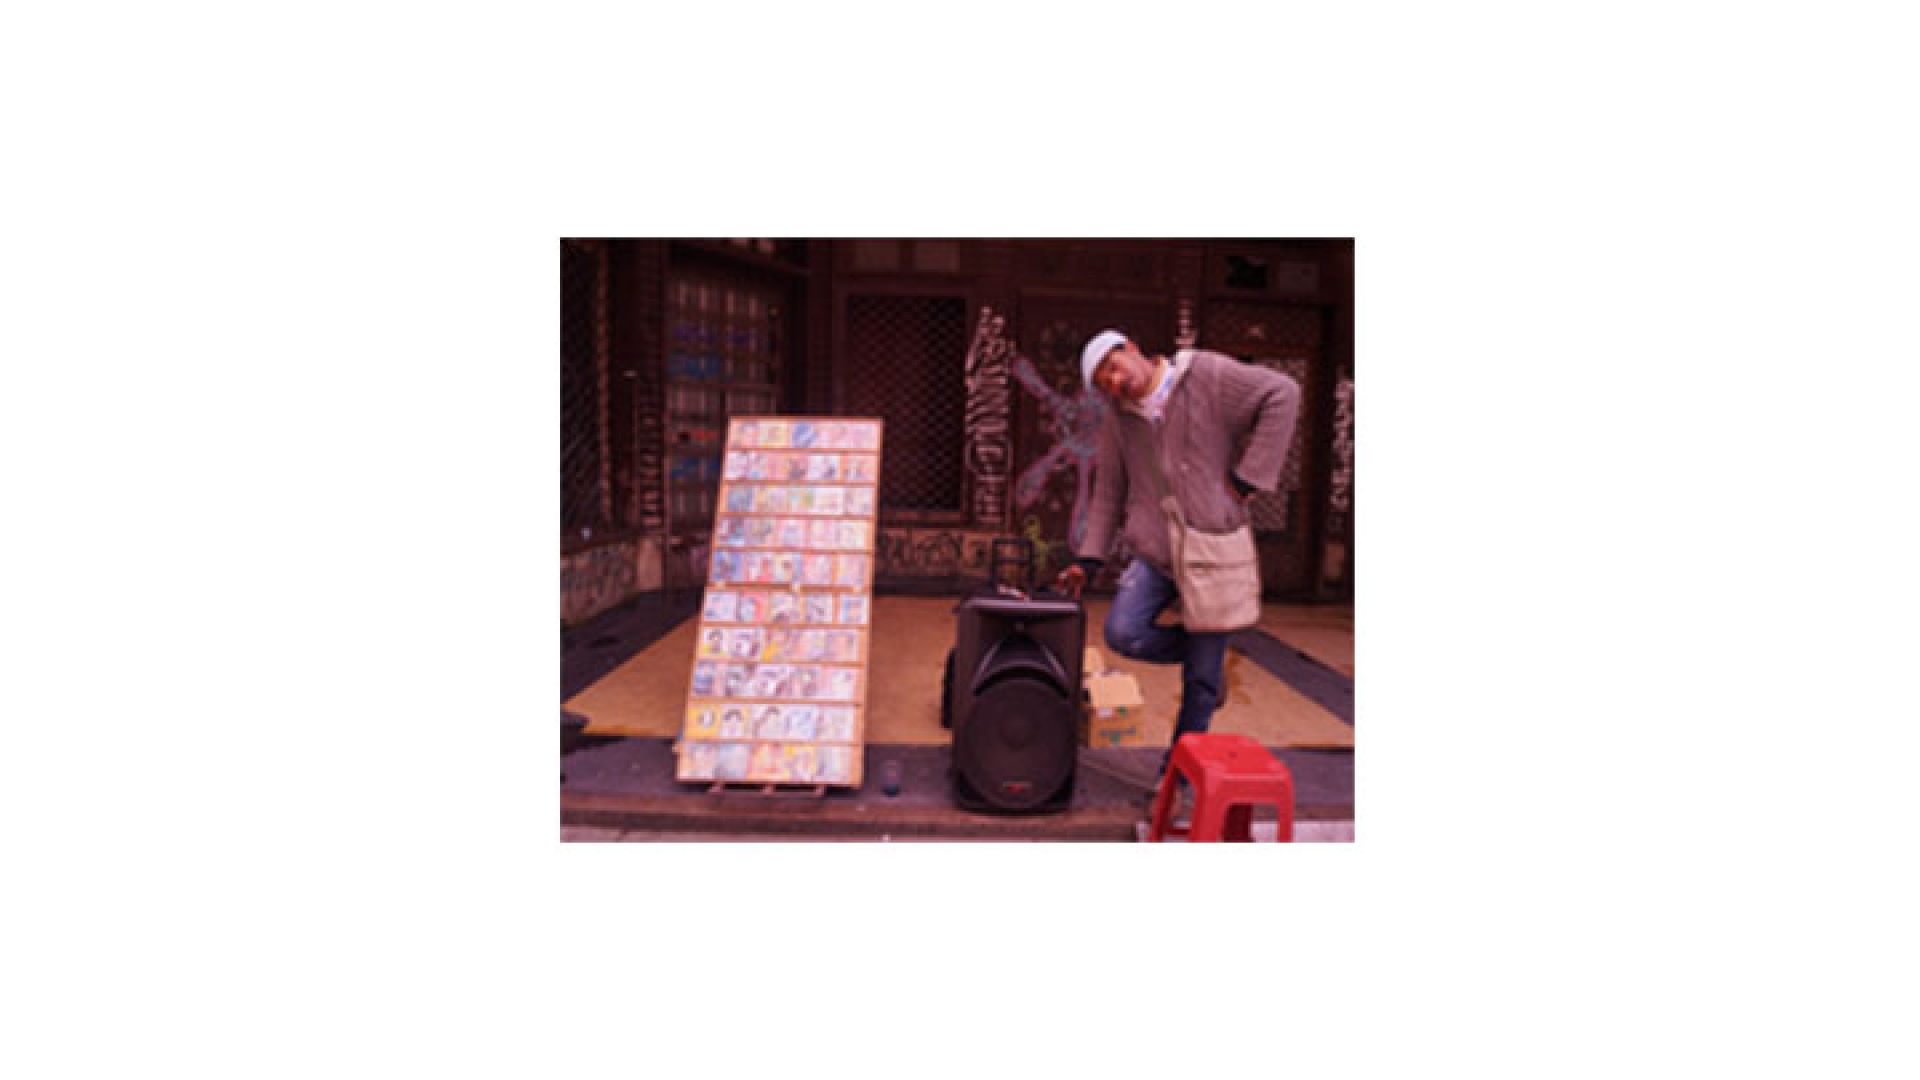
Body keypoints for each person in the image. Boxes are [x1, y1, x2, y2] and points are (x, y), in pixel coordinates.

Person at [1051, 329, 1301, 790]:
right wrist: (1088, 560)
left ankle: (1176, 777)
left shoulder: (1205, 375)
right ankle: (1205, 658)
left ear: (1131, 348)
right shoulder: (1119, 420)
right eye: (1104, 384)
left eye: (1113, 368)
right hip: (1156, 550)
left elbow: (1282, 394)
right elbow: (1108, 492)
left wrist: (1248, 479)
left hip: (1211, 549)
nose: (1115, 383)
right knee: (1123, 632)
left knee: (1199, 686)